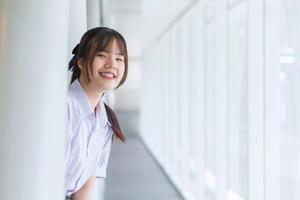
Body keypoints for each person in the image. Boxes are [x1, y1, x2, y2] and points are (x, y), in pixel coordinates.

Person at [65, 27, 128, 200]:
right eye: (102, 55)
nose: (112, 64)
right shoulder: (65, 108)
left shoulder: (105, 122)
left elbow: (84, 188)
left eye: (119, 58)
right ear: (81, 61)